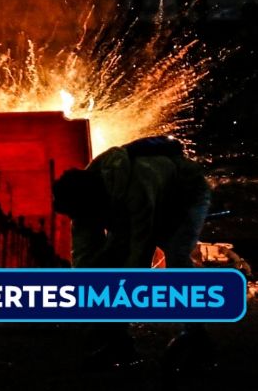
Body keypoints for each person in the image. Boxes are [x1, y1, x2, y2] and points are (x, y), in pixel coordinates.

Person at [52, 136, 214, 372]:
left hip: (186, 197)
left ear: (94, 203)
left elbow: (139, 256)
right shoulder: (83, 196)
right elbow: (85, 255)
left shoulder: (136, 187)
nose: (85, 221)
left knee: (177, 257)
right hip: (146, 201)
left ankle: (198, 338)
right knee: (111, 258)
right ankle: (119, 345)